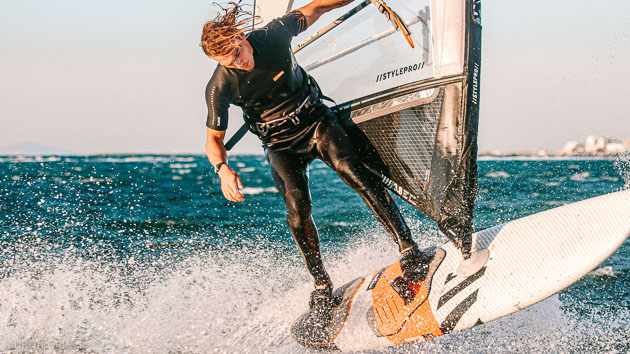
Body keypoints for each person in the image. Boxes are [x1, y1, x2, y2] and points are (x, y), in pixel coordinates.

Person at [201, 0, 432, 322]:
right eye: (228, 63)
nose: (238, 65)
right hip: (279, 144)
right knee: (297, 210)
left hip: (316, 122)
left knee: (355, 173)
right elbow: (214, 139)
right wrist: (222, 169)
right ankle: (322, 285)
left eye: (238, 55)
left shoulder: (273, 35)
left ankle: (408, 249)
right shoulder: (220, 86)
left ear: (241, 37)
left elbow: (319, 7)